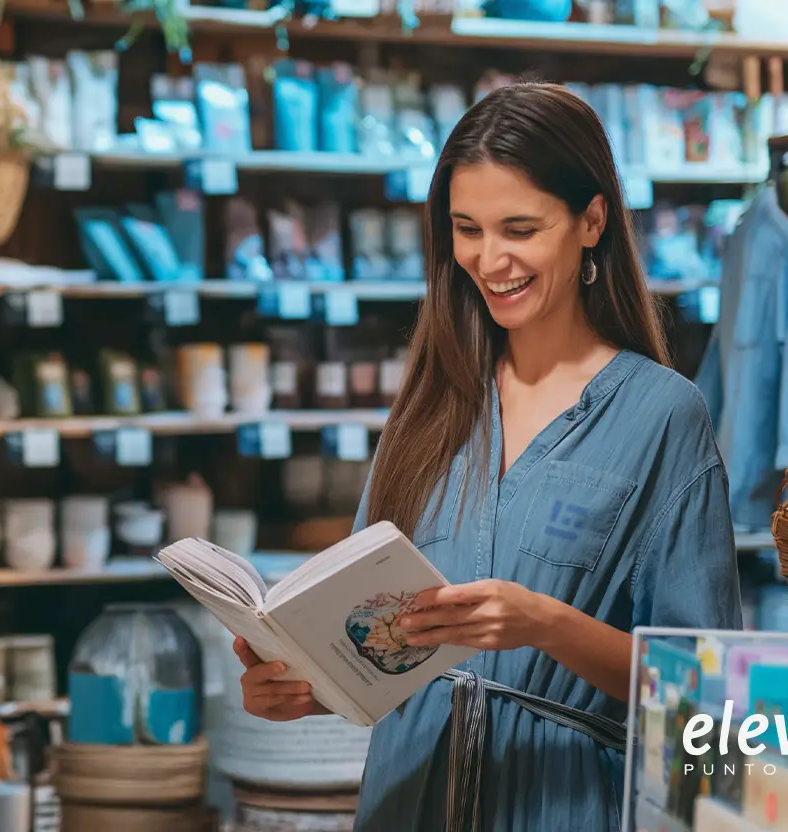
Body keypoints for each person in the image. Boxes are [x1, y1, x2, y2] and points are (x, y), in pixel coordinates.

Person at [232, 82, 742, 831]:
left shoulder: (661, 414)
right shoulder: (430, 407)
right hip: (406, 803)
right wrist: (299, 685)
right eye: (466, 229)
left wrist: (545, 625)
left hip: (562, 805)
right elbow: (366, 639)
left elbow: (708, 695)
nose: (488, 258)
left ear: (591, 221)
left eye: (519, 228)